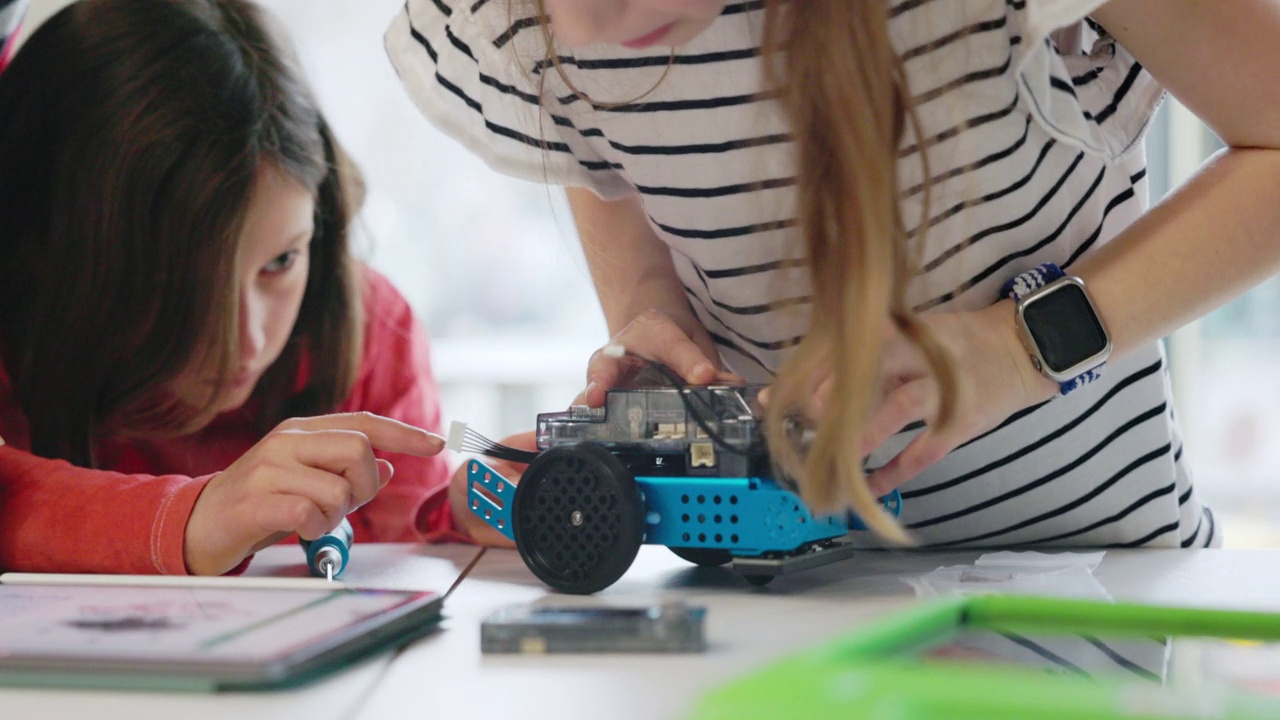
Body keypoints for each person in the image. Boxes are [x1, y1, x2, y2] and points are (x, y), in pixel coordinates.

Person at [387, 0, 1280, 548]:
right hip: (784, 618)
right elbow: (605, 161)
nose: (586, 25)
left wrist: (1019, 350)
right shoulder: (528, 20)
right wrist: (647, 311)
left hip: (1091, 587)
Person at [0, 0, 509, 577]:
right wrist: (185, 522)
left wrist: (458, 517)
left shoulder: (368, 327)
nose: (247, 338)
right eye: (188, 282)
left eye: (282, 261)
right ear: (64, 256)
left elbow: (404, 550)